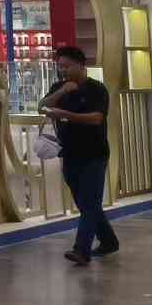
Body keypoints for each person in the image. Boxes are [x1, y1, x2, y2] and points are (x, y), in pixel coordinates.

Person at [41, 44, 118, 265]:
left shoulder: (97, 89)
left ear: (81, 65)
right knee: (86, 204)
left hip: (94, 155)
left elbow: (96, 118)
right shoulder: (59, 87)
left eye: (67, 66)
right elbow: (42, 106)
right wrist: (62, 92)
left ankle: (81, 250)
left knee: (89, 203)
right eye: (60, 67)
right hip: (69, 154)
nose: (63, 70)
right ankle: (109, 241)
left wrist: (65, 114)